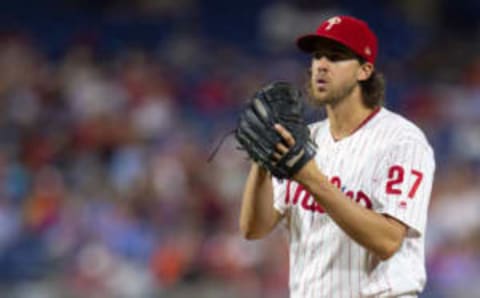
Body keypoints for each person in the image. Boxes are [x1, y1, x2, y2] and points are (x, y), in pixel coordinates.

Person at [239, 15, 435, 298]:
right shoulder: (306, 139)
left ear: (364, 71)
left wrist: (311, 178)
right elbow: (254, 229)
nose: (321, 65)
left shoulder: (402, 141)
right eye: (317, 56)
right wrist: (261, 162)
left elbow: (388, 240)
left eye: (335, 57)